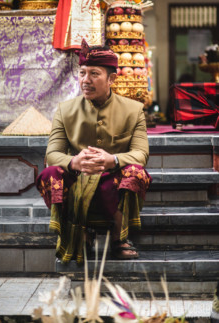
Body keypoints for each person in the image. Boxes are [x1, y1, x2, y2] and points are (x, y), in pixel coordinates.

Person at [36, 39, 152, 264]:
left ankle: (120, 238)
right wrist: (74, 163)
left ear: (111, 79)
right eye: (82, 73)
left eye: (94, 74)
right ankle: (78, 234)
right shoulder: (65, 110)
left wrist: (112, 160)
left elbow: (140, 153)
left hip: (112, 176)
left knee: (136, 173)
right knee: (50, 174)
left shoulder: (134, 110)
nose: (85, 80)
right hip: (79, 175)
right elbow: (53, 153)